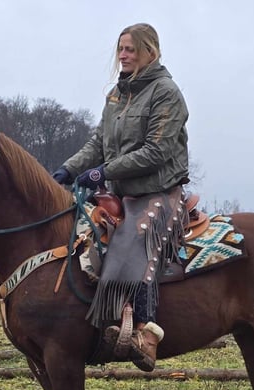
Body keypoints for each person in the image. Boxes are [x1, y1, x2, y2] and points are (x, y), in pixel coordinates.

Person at [52, 22, 190, 372]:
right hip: (121, 192)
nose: (123, 55)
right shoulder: (116, 94)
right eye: (120, 49)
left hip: (157, 190)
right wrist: (68, 169)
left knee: (133, 243)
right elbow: (98, 143)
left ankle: (146, 333)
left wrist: (105, 171)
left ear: (150, 53)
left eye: (130, 49)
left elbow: (157, 150)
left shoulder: (166, 92)